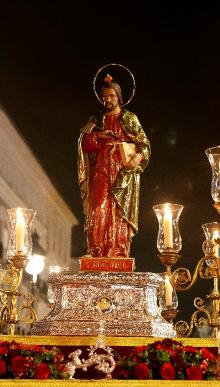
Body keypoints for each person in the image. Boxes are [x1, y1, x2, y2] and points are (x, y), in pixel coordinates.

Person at [78, 74, 150, 258]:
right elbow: (84, 144)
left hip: (122, 169)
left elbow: (144, 144)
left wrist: (138, 157)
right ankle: (95, 250)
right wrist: (97, 137)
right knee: (98, 206)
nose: (108, 100)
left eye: (112, 96)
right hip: (101, 167)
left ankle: (118, 249)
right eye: (105, 97)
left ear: (119, 97)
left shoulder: (129, 117)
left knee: (118, 208)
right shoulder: (96, 119)